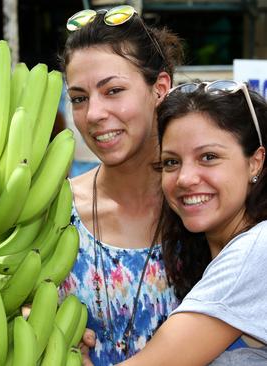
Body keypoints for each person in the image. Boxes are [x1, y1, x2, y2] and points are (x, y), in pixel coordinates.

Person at [57, 5, 184, 365]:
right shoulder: (54, 209)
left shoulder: (203, 207)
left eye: (112, 90)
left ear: (159, 88)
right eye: (79, 98)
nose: (94, 114)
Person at [118, 81, 267, 365]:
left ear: (255, 162)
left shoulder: (258, 248)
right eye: (171, 162)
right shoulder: (207, 257)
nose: (185, 178)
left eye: (208, 157)